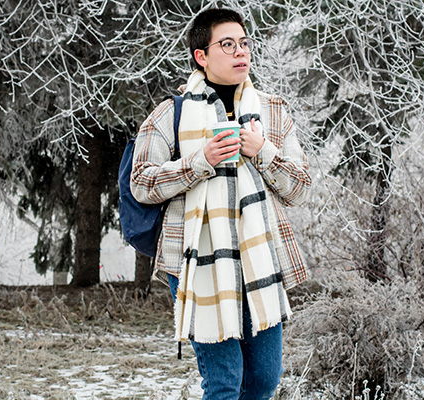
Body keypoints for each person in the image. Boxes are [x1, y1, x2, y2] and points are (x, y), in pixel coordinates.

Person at [130, 8, 311, 399]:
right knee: (225, 381)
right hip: (199, 264)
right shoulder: (171, 113)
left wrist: (262, 152)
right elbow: (141, 183)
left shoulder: (273, 111)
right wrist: (200, 162)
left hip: (259, 261)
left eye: (244, 43)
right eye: (227, 44)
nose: (239, 52)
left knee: (263, 379)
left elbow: (299, 188)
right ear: (202, 55)